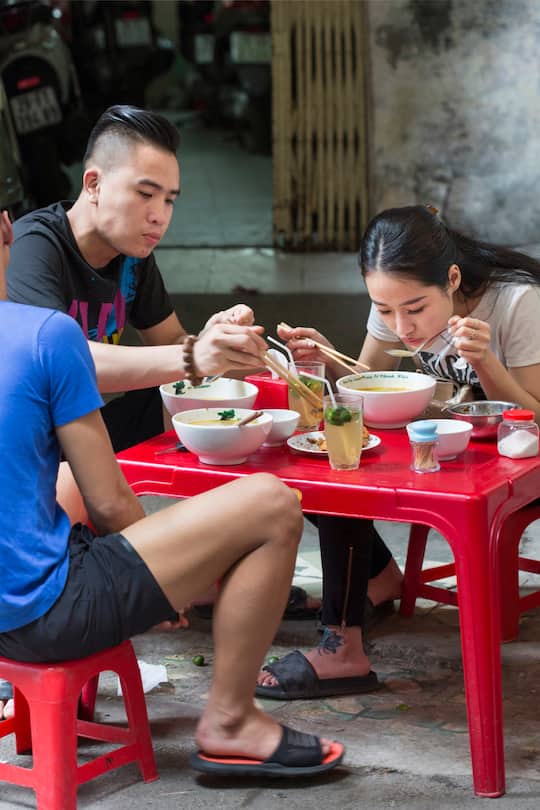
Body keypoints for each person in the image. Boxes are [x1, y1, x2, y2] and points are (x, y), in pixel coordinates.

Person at [0, 208, 344, 775]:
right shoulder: (47, 335)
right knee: (271, 505)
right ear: (8, 227)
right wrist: (170, 589)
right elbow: (109, 500)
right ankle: (232, 720)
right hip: (43, 616)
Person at [256, 203, 540, 700]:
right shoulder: (395, 297)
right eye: (384, 310)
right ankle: (380, 580)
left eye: (414, 310)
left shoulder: (517, 303)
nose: (402, 326)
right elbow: (365, 388)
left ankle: (343, 646)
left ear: (452, 279)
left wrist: (486, 364)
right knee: (327, 463)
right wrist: (324, 357)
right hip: (464, 452)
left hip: (521, 461)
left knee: (345, 475)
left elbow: (533, 422)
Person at [7, 104, 262, 454]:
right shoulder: (32, 247)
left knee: (204, 401)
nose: (160, 216)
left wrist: (209, 338)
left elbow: (169, 341)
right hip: (23, 450)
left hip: (79, 434)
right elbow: (62, 364)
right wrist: (194, 355)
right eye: (145, 194)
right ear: (94, 184)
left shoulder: (132, 255)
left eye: (169, 200)